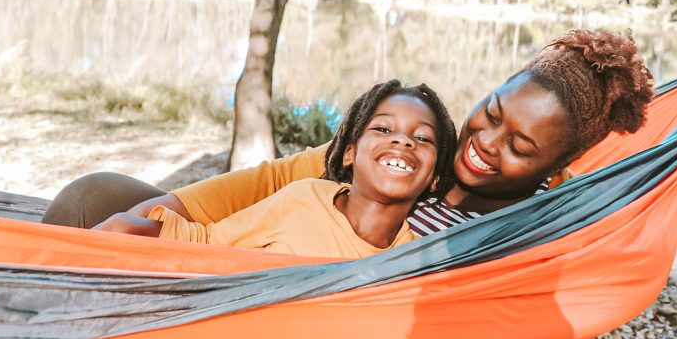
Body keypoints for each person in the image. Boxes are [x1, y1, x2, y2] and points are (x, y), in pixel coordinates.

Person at [43, 29, 653, 235]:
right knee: (93, 198)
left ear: (553, 168)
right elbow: (272, 180)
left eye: (520, 146)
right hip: (235, 257)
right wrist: (161, 209)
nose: (487, 144)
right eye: (491, 113)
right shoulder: (413, 150)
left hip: (305, 317)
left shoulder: (531, 228)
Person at [93, 80, 457, 259]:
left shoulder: (414, 259)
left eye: (422, 138)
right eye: (382, 129)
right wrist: (130, 226)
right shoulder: (304, 200)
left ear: (435, 177)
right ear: (347, 153)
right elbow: (208, 245)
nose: (403, 142)